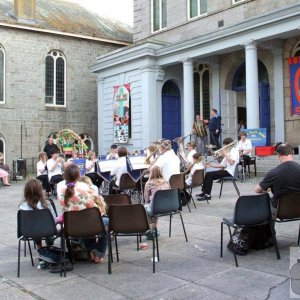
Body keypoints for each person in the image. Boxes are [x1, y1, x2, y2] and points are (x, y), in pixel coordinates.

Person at [57, 164, 108, 263]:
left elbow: (63, 204)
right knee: (106, 223)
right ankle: (99, 253)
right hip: (87, 222)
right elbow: (90, 205)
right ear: (78, 176)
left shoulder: (61, 189)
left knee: (87, 225)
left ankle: (91, 251)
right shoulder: (83, 187)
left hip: (71, 226)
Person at [255, 143, 300, 210]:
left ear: (278, 155)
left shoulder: (273, 173)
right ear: (293, 153)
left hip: (280, 211)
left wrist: (267, 190)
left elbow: (257, 190)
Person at [19, 179, 56, 250]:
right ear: (40, 191)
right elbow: (54, 220)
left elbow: (23, 223)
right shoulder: (46, 204)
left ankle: (40, 249)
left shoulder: (22, 206)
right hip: (48, 229)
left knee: (34, 227)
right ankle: (49, 244)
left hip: (29, 231)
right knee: (47, 225)